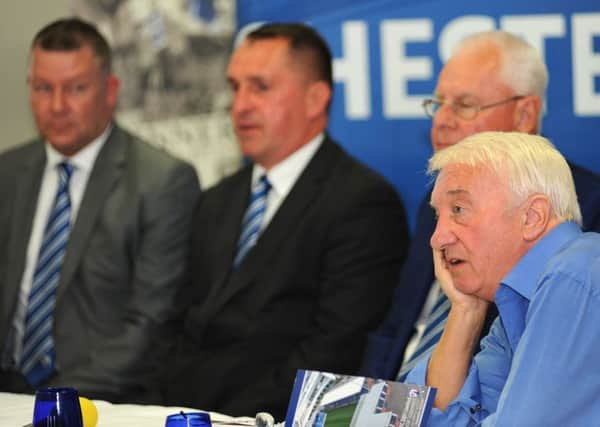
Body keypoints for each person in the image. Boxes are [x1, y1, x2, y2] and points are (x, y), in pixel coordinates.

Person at [166, 22, 410, 418]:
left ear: (316, 99)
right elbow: (177, 323)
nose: (240, 105)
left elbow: (334, 351)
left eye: (260, 87)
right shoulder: (216, 200)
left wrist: (225, 416)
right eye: (235, 87)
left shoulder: (362, 203)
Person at [359, 30, 600, 381]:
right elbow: (394, 329)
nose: (442, 120)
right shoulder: (435, 202)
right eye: (438, 103)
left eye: (465, 105)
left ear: (524, 115)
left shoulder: (581, 208)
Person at [0, 18, 200, 403]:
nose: (57, 106)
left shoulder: (161, 181)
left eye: (76, 88)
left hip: (100, 400)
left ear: (110, 91)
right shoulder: (7, 174)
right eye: (43, 88)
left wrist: (48, 403)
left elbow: (150, 326)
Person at [405, 131, 600, 425]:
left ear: (532, 217)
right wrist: (465, 310)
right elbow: (437, 420)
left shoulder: (574, 275)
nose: (437, 238)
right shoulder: (515, 307)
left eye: (458, 210)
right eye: (438, 216)